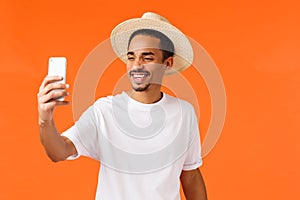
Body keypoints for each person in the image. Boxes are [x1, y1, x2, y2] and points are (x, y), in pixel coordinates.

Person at [37, 12, 207, 200]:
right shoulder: (104, 111)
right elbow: (59, 151)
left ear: (167, 64)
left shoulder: (184, 113)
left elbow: (190, 175)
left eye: (147, 57)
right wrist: (45, 120)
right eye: (131, 57)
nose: (136, 65)